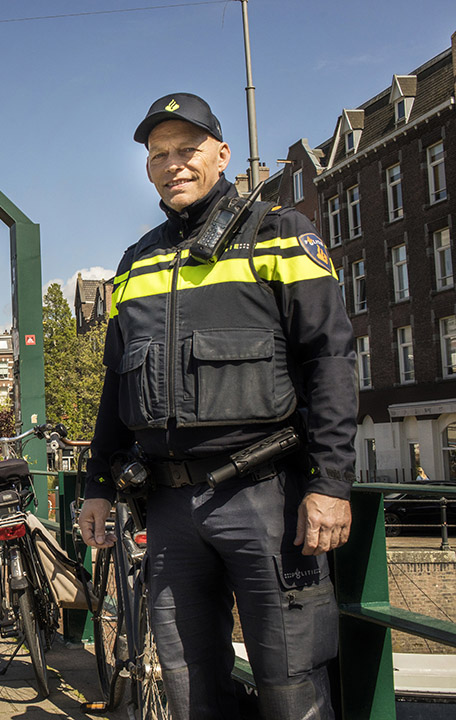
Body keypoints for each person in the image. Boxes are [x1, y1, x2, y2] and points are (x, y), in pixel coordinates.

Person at [77, 94, 356, 719]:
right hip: (170, 508)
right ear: (148, 168)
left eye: (188, 150)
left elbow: (329, 361)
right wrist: (96, 486)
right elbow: (115, 389)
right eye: (159, 155)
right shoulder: (136, 261)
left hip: (269, 501)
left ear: (221, 155)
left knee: (292, 688)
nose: (173, 164)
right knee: (188, 687)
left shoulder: (282, 234)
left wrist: (331, 482)